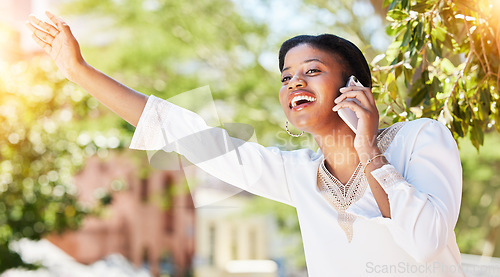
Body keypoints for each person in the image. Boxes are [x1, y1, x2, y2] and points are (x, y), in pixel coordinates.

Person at [27, 11, 464, 276]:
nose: (295, 82)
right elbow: (183, 132)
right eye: (286, 77)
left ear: (352, 86)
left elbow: (425, 241)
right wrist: (79, 72)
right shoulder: (298, 176)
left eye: (312, 70)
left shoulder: (419, 138)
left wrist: (369, 150)